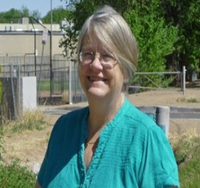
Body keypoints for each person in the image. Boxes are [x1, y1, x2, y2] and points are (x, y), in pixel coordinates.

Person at [35, 5, 180, 188]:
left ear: (126, 70)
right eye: (87, 54)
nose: (95, 64)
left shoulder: (146, 139)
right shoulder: (63, 130)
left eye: (107, 56)